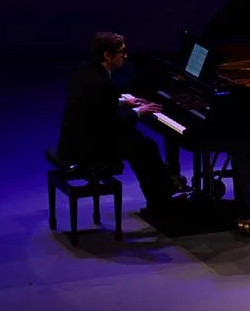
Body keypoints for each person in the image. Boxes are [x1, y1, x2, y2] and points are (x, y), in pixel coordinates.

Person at [56, 31, 177, 211]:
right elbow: (115, 125)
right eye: (122, 52)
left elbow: (96, 104)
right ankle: (162, 202)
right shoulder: (102, 83)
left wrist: (123, 102)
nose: (125, 56)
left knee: (141, 143)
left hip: (76, 138)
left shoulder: (86, 68)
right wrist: (139, 111)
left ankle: (160, 198)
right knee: (145, 147)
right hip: (86, 148)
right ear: (107, 55)